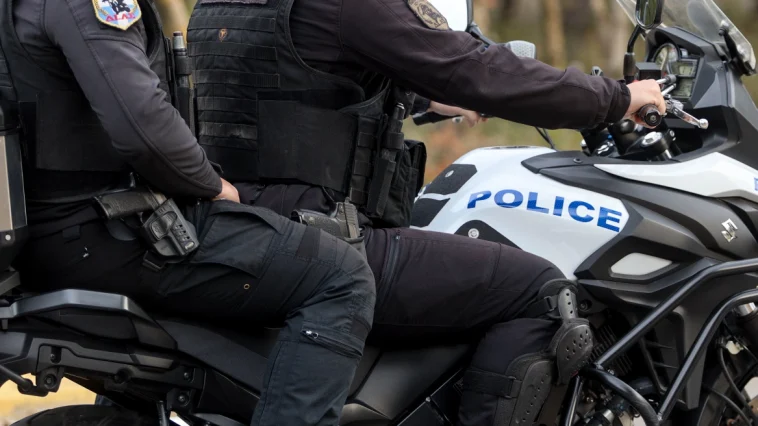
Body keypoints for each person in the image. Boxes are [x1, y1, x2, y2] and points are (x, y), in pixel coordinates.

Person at [185, 1, 666, 425]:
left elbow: (295, 78)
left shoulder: (221, 4)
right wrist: (617, 98)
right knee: (537, 292)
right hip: (322, 240)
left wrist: (428, 100)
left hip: (237, 229)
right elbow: (474, 69)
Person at [1, 0, 375, 425]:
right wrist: (213, 186)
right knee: (340, 275)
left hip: (49, 234)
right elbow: (142, 126)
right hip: (98, 231)